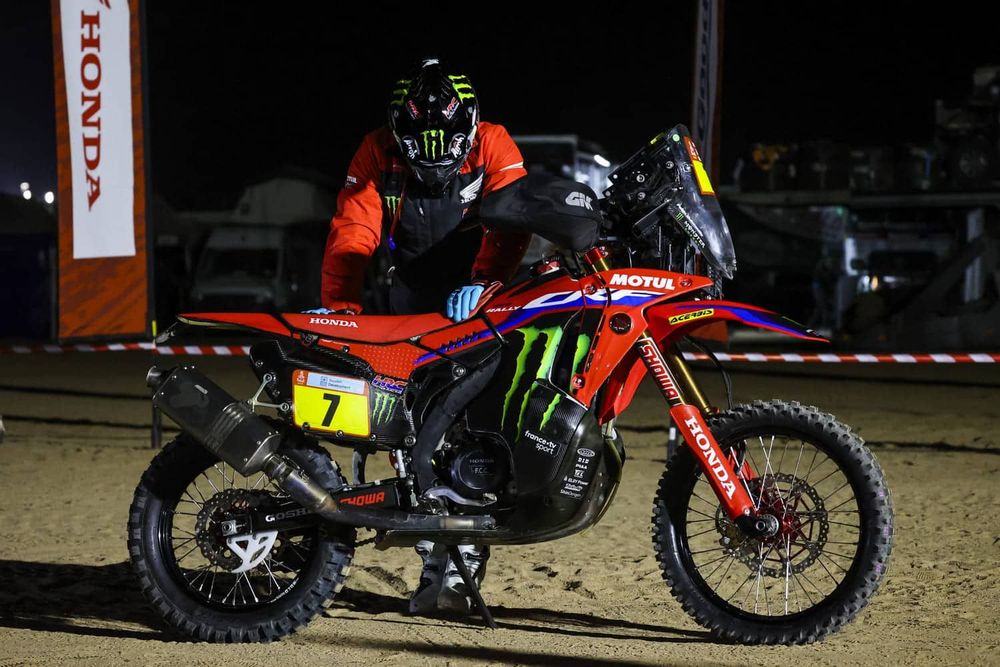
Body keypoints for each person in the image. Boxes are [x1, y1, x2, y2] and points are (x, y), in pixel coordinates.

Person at [314, 58, 530, 613]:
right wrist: (340, 312)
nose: (434, 170)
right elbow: (353, 228)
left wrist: (484, 281)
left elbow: (513, 220)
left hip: (480, 299)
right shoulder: (376, 149)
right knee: (409, 432)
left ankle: (461, 566)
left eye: (446, 158)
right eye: (420, 158)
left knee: (477, 428)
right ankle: (433, 556)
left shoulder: (494, 142)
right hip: (409, 297)